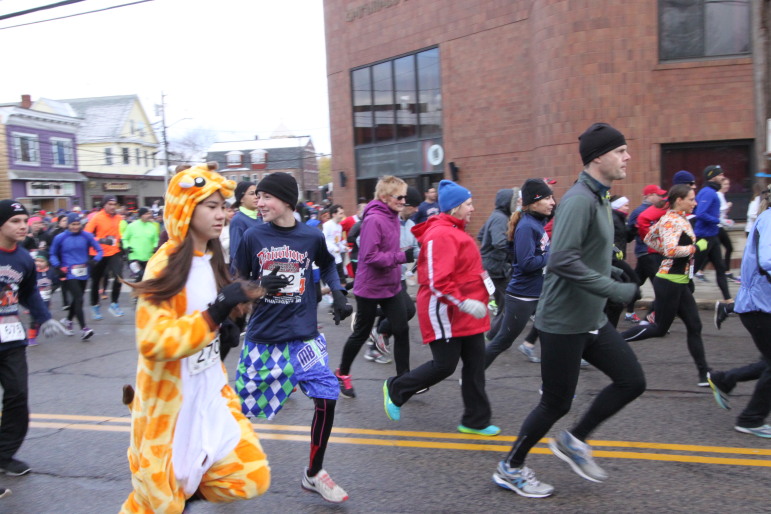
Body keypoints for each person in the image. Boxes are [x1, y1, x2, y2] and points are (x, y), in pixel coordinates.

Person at [492, 123, 645, 499]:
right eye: (620, 150)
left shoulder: (601, 197)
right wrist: (614, 288)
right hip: (562, 321)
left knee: (632, 381)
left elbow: (586, 254)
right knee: (556, 402)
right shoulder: (579, 199)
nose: (627, 157)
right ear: (598, 157)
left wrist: (612, 271)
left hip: (589, 317)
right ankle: (510, 467)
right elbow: (561, 260)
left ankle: (574, 440)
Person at [120, 165, 270, 512]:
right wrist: (214, 314)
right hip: (171, 406)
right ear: (186, 209)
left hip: (210, 395)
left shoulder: (212, 258)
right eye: (212, 207)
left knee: (251, 475)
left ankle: (185, 494)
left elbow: (212, 324)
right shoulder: (165, 265)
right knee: (158, 504)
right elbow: (153, 341)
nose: (222, 214)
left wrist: (229, 323)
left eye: (223, 206)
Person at [233, 172, 352, 504]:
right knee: (237, 410)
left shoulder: (310, 237)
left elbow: (328, 265)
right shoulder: (253, 236)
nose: (259, 203)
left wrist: (339, 294)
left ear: (286, 200)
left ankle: (313, 474)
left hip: (303, 338)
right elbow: (237, 277)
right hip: (264, 340)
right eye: (257, 197)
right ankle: (215, 462)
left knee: (327, 396)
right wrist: (254, 289)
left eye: (266, 197)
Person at [383, 179, 501, 437]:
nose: (472, 208)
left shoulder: (455, 231)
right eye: (468, 204)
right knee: (444, 365)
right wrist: (463, 302)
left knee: (475, 363)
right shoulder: (441, 234)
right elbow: (437, 281)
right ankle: (396, 388)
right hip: (445, 311)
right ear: (455, 207)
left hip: (466, 311)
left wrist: (488, 295)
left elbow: (470, 271)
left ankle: (475, 420)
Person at [0, 200, 66, 477]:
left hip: (11, 339)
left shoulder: (24, 259)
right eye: (15, 221)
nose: (22, 226)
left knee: (17, 396)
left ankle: (4, 455)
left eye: (24, 221)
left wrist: (44, 318)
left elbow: (29, 294)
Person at [621, 184, 712, 386]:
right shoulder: (671, 220)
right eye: (691, 199)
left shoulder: (677, 218)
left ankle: (704, 373)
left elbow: (650, 238)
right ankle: (613, 341)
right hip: (669, 281)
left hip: (680, 281)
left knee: (695, 325)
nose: (695, 203)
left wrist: (667, 248)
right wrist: (696, 247)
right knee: (659, 328)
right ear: (679, 200)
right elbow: (671, 250)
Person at [335, 176, 413, 398]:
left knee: (402, 329)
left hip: (391, 284)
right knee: (360, 333)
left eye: (404, 196)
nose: (403, 200)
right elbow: (369, 256)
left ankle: (404, 381)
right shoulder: (374, 219)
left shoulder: (394, 216)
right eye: (399, 197)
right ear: (385, 197)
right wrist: (401, 257)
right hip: (370, 286)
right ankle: (342, 373)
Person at [709, 192, 771, 438]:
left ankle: (725, 380)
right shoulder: (769, 219)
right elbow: (767, 261)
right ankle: (751, 419)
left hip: (761, 304)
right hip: (758, 307)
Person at [484, 179, 554, 367]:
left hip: (537, 293)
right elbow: (526, 263)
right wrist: (552, 256)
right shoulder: (527, 226)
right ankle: (471, 373)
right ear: (534, 202)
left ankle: (553, 386)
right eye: (547, 198)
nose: (552, 202)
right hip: (523, 296)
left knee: (554, 338)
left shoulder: (538, 222)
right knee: (503, 341)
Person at [49, 213, 104, 341]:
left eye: (78, 224)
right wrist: (58, 266)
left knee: (77, 299)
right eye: (73, 224)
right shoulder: (60, 237)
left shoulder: (87, 236)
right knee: (79, 298)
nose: (75, 227)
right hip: (69, 272)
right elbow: (52, 254)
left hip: (84, 272)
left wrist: (94, 260)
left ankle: (68, 320)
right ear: (68, 224)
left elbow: (100, 250)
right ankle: (84, 328)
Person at [478, 188, 516, 338]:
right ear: (508, 202)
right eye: (514, 200)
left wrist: (487, 250)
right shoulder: (500, 218)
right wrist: (515, 251)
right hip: (496, 269)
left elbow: (481, 235)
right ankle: (492, 336)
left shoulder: (495, 216)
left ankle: (495, 335)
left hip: (490, 266)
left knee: (503, 303)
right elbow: (499, 242)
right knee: (508, 304)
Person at [692, 165, 732, 300]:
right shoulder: (708, 192)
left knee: (720, 269)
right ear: (713, 177)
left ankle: (728, 300)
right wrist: (717, 220)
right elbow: (700, 213)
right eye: (720, 175)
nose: (723, 177)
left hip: (712, 237)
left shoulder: (711, 192)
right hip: (703, 238)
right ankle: (678, 298)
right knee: (693, 270)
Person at [84, 195, 124, 319]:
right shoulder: (97, 218)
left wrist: (123, 243)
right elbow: (86, 235)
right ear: (104, 205)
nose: (113, 207)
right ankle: (95, 306)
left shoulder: (118, 218)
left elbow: (121, 234)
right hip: (98, 253)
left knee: (119, 278)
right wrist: (101, 240)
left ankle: (114, 304)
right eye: (110, 204)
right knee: (96, 281)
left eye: (114, 204)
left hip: (114, 252)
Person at [121, 207, 159, 282]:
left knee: (146, 278)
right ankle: (137, 292)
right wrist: (127, 246)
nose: (149, 215)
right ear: (141, 215)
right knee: (141, 275)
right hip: (134, 257)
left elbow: (156, 240)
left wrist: (155, 247)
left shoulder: (152, 227)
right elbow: (124, 238)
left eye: (150, 213)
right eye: (147, 214)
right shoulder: (132, 226)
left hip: (148, 257)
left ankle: (138, 292)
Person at [228, 181, 260, 266]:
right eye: (252, 194)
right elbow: (235, 253)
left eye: (257, 193)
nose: (256, 197)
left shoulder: (260, 219)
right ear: (241, 198)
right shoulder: (238, 220)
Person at [716, 177, 739, 282]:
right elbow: (718, 211)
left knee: (712, 251)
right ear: (720, 185)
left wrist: (727, 220)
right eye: (725, 184)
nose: (727, 186)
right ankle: (727, 271)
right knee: (729, 247)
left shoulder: (722, 196)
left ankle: (700, 271)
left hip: (720, 225)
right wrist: (727, 206)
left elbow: (722, 215)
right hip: (717, 226)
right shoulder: (718, 195)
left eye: (728, 184)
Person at [322, 204, 349, 285]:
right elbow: (324, 239)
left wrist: (344, 248)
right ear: (334, 214)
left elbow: (338, 242)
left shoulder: (339, 227)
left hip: (338, 258)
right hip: (329, 258)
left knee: (342, 281)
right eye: (340, 213)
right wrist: (333, 248)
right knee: (331, 282)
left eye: (343, 213)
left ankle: (341, 295)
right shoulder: (327, 225)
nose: (342, 216)